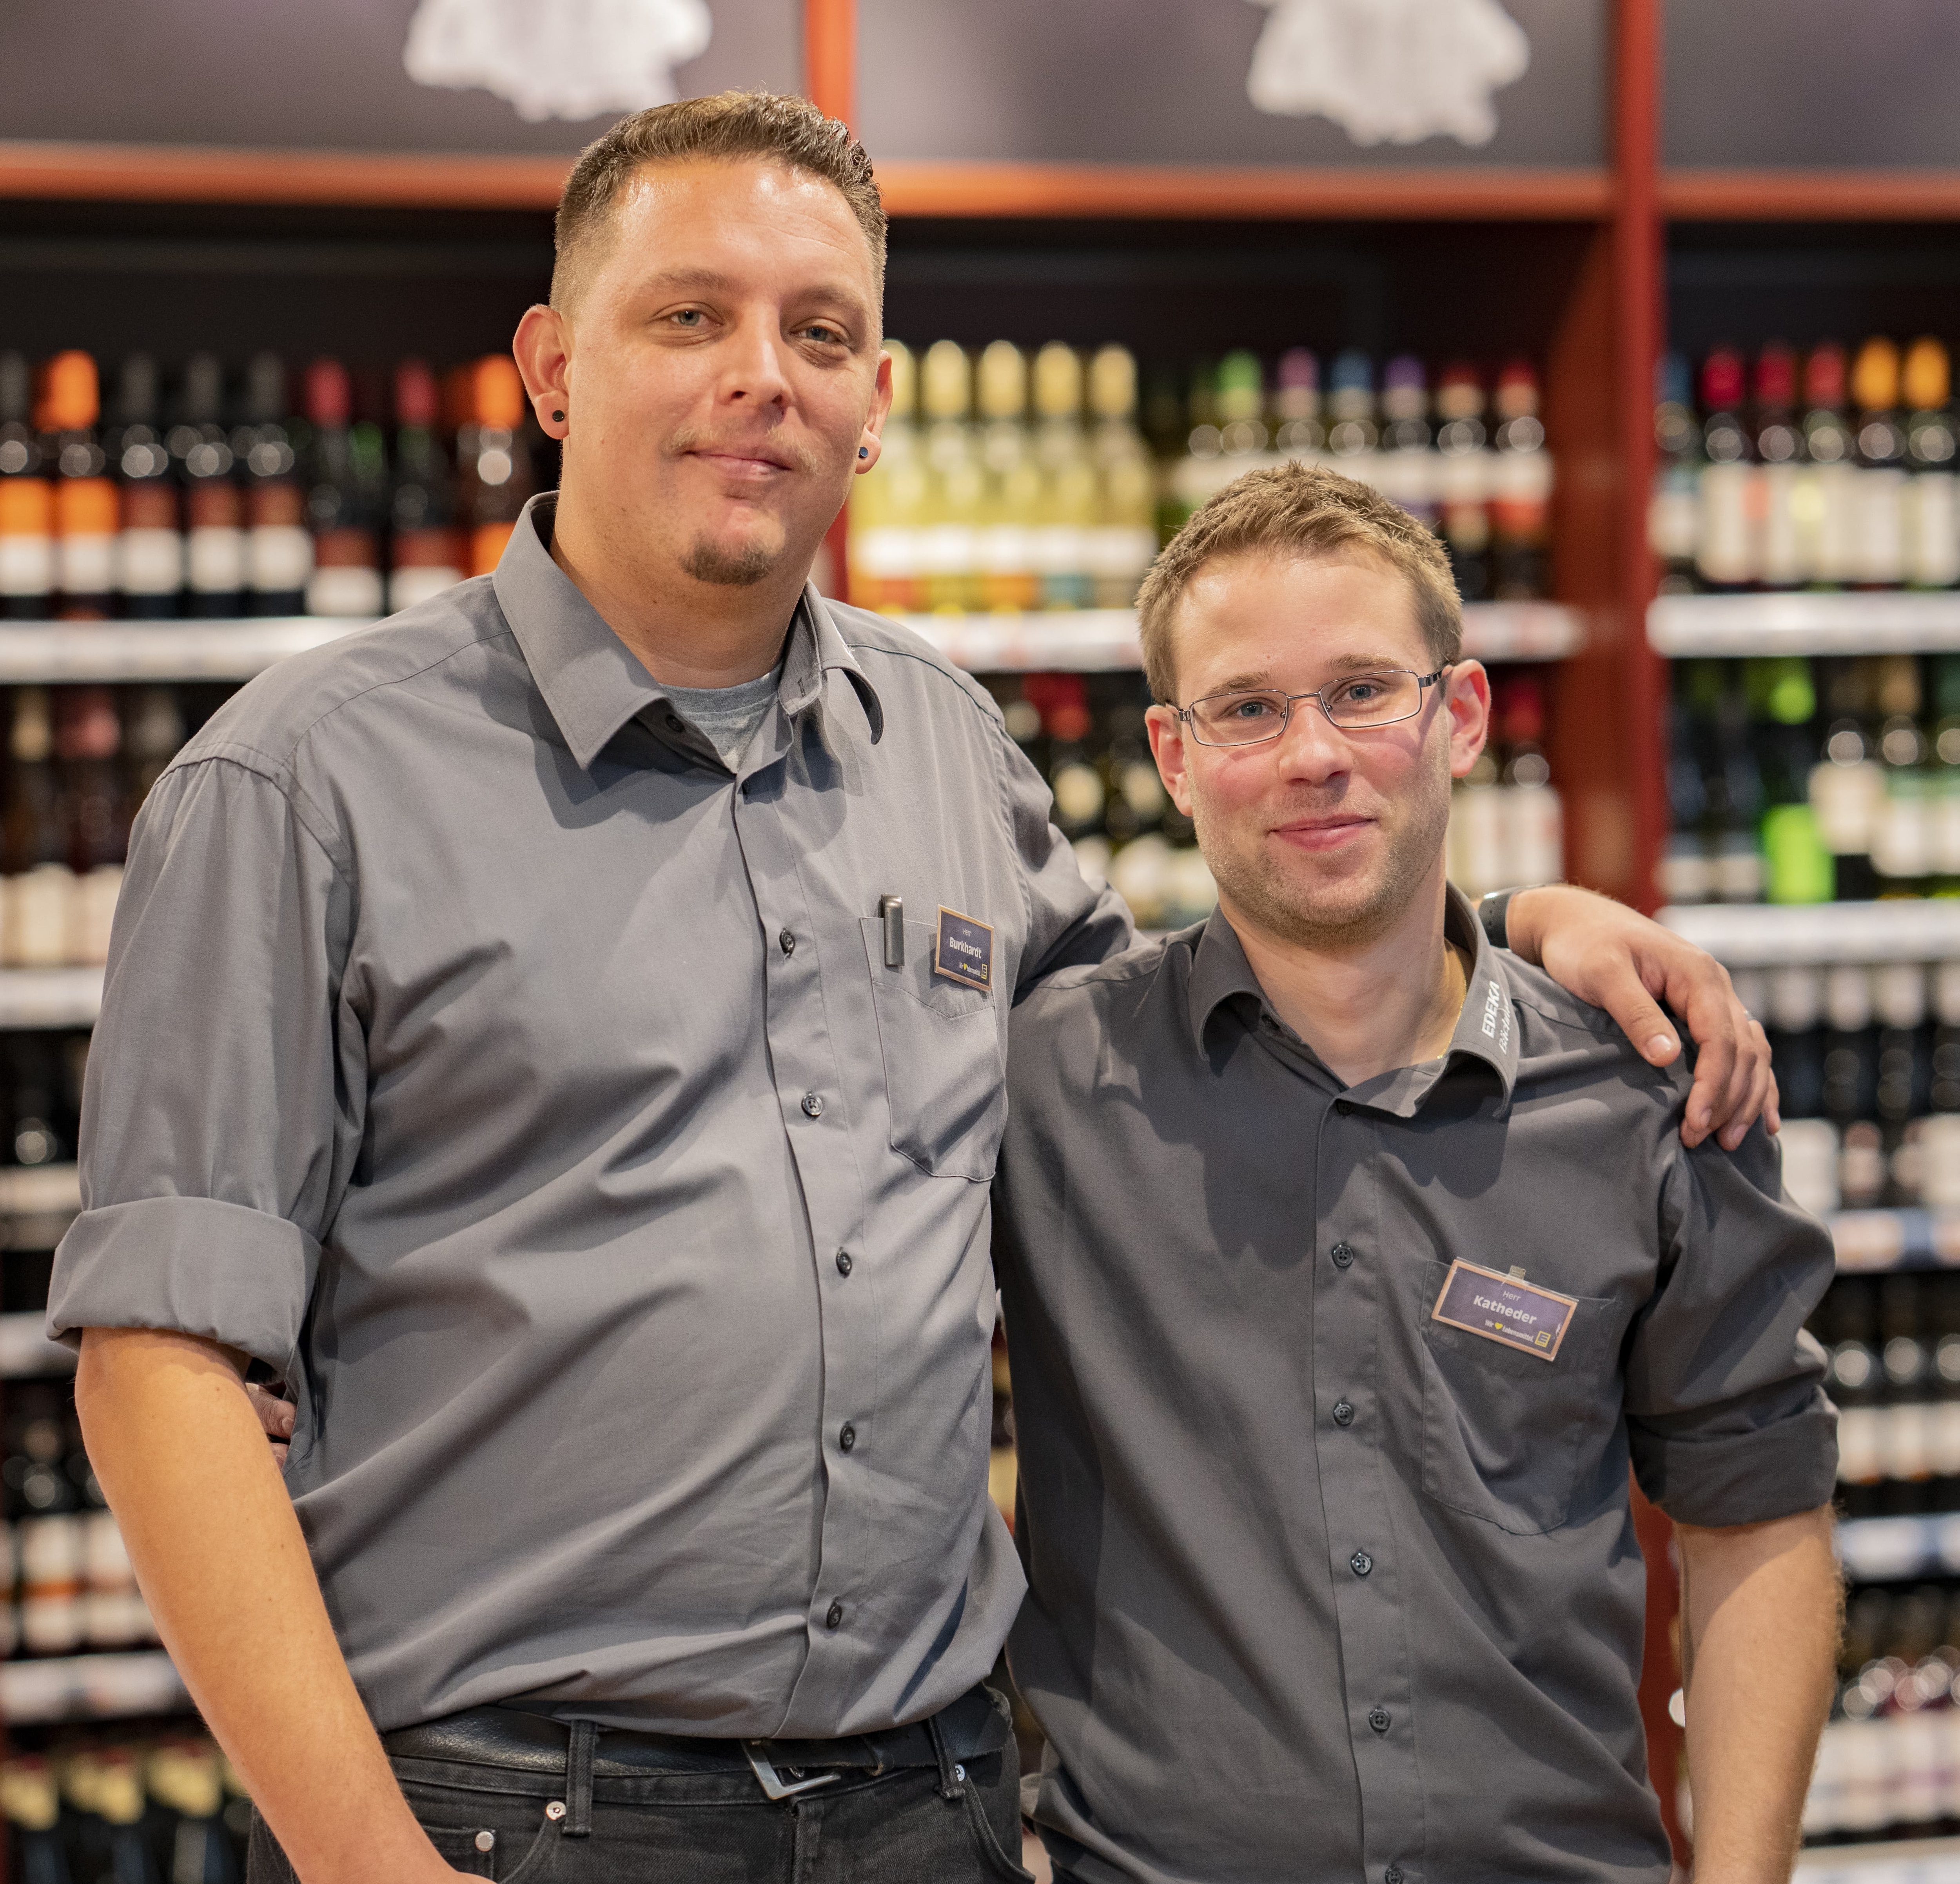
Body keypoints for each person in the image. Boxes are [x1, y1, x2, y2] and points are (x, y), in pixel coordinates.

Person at [50, 95, 1772, 1884]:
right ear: (553, 370)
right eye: (689, 317)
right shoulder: (303, 783)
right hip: (514, 1818)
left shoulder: (944, 742)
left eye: (819, 333)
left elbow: (1201, 1037)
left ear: (876, 408)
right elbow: (157, 1363)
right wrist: (365, 1864)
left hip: (929, 1807)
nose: (760, 378)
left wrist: (1505, 925)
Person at [993, 462, 1840, 1884]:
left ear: (1460, 716)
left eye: (1363, 691)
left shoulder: (1648, 1082)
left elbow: (1754, 1507)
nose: (1312, 753)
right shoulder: (1049, 1082)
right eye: (1249, 708)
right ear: (1176, 756)